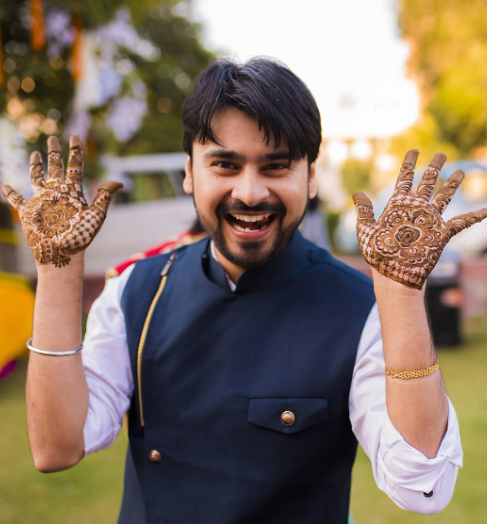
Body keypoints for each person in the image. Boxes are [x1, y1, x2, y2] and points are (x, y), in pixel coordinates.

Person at [2, 58, 486, 524]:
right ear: (190, 171)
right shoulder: (136, 293)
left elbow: (422, 486)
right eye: (225, 165)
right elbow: (56, 446)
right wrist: (58, 269)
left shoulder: (363, 310)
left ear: (311, 176)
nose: (251, 192)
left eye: (275, 167)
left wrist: (400, 296)